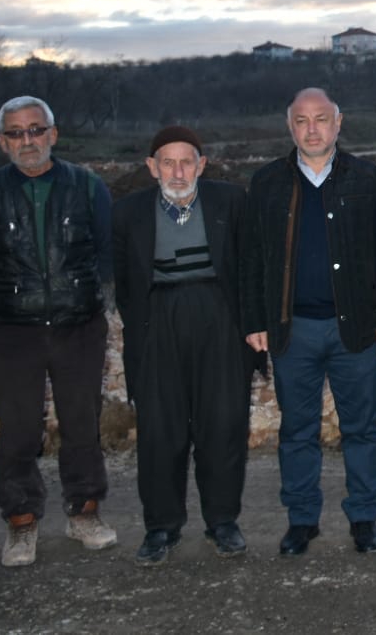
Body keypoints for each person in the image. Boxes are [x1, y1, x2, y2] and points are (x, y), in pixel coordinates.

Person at [0, 95, 116, 566]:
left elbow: (109, 255)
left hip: (78, 327)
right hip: (11, 330)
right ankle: (21, 523)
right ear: (2, 141)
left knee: (81, 424)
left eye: (35, 130)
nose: (27, 140)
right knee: (18, 431)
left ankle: (85, 511)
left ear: (53, 134)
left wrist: (100, 306)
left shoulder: (88, 187)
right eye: (16, 132)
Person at [242, 88, 376, 555]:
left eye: (321, 118)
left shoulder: (367, 178)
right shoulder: (267, 183)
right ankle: (302, 519)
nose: (312, 128)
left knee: (361, 427)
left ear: (338, 122)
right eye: (302, 120)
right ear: (290, 127)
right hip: (292, 328)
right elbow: (253, 259)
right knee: (297, 430)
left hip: (356, 328)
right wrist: (256, 319)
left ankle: (364, 516)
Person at [112, 126, 253, 565]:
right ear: (152, 167)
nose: (177, 171)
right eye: (167, 162)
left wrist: (251, 327)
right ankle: (161, 527)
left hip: (219, 317)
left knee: (223, 425)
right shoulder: (128, 212)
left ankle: (223, 522)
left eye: (186, 161)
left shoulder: (231, 201)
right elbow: (125, 285)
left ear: (202, 165)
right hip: (159, 322)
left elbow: (251, 267)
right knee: (159, 429)